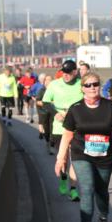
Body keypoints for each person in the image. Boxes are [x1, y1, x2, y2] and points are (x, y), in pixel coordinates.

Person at [55, 71, 112, 222]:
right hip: (82, 154)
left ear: (100, 86)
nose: (92, 88)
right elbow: (67, 135)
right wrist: (61, 158)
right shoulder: (76, 109)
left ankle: (103, 217)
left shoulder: (109, 106)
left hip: (104, 157)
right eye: (88, 85)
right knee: (87, 188)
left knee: (101, 189)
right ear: (82, 88)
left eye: (95, 84)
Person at [42, 60, 84, 198]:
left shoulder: (81, 83)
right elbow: (46, 102)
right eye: (63, 72)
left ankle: (73, 188)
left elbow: (88, 101)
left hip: (78, 126)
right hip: (60, 127)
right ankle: (63, 180)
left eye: (69, 73)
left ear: (75, 72)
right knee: (63, 159)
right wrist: (56, 114)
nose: (65, 75)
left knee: (75, 158)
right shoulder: (54, 84)